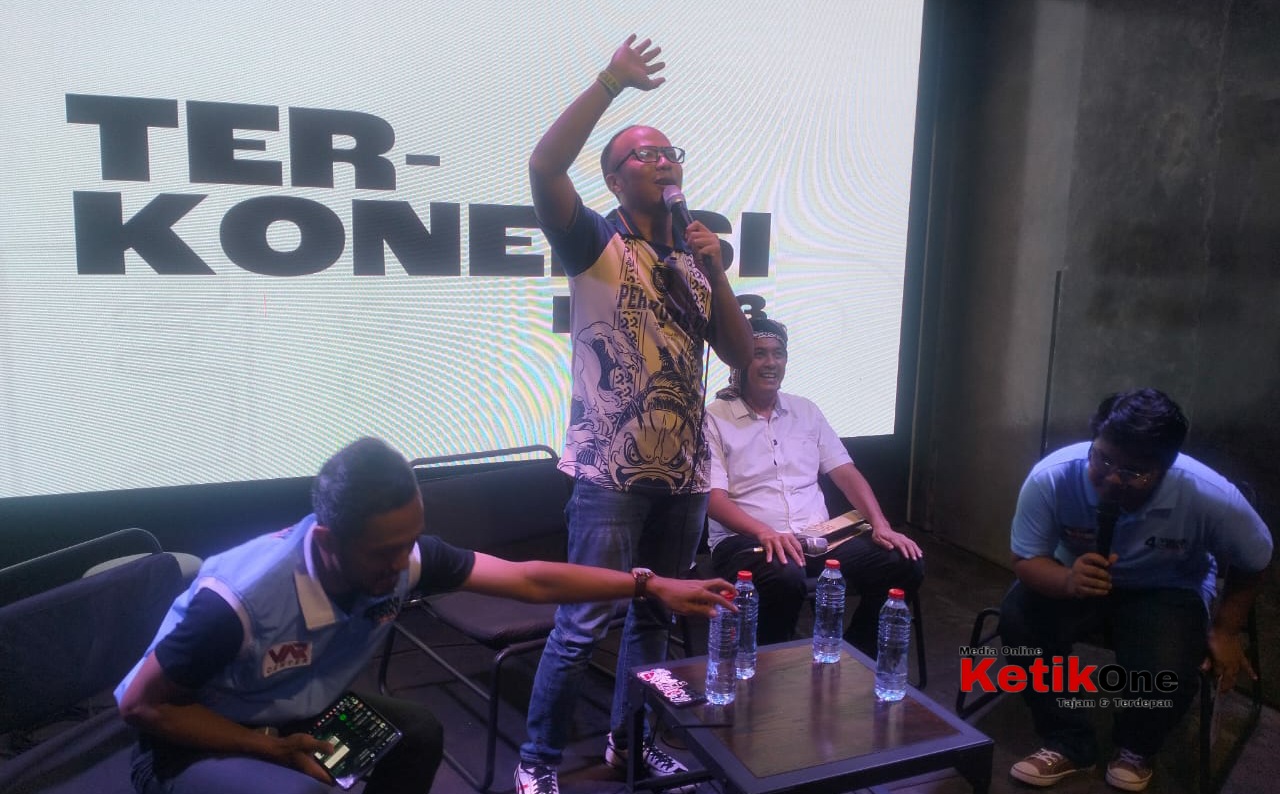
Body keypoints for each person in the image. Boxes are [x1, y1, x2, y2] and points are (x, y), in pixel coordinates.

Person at [114, 437, 734, 794]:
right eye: (384, 551)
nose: (401, 563)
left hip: (292, 712)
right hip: (187, 743)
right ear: (327, 542)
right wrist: (263, 749)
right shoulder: (237, 604)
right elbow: (142, 707)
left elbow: (529, 579)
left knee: (417, 733)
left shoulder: (404, 557)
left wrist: (649, 585)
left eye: (410, 540)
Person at [517, 34, 754, 794]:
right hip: (610, 473)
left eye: (669, 153)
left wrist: (715, 268)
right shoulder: (593, 240)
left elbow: (740, 355)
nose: (663, 163)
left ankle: (633, 744)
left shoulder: (694, 256)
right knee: (582, 625)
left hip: (684, 475)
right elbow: (543, 167)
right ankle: (537, 763)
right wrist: (609, 83)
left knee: (654, 620)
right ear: (615, 180)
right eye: (644, 155)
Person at [1001, 388, 1272, 792]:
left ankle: (1136, 747)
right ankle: (1067, 741)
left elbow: (1257, 560)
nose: (1112, 477)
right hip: (1076, 577)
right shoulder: (1053, 476)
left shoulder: (1207, 494)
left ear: (1165, 467)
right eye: (1103, 458)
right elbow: (1025, 559)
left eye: (1133, 472)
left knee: (1169, 669)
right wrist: (1068, 580)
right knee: (1019, 620)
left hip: (1167, 587)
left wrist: (1226, 629)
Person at [703, 314, 924, 654]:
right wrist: (765, 532)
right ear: (740, 362)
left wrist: (881, 524)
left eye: (778, 354)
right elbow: (713, 500)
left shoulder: (805, 410)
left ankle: (854, 655)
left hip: (816, 538)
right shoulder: (715, 417)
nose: (771, 363)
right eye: (759, 354)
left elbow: (846, 473)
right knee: (785, 577)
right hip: (745, 542)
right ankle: (769, 667)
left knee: (904, 561)